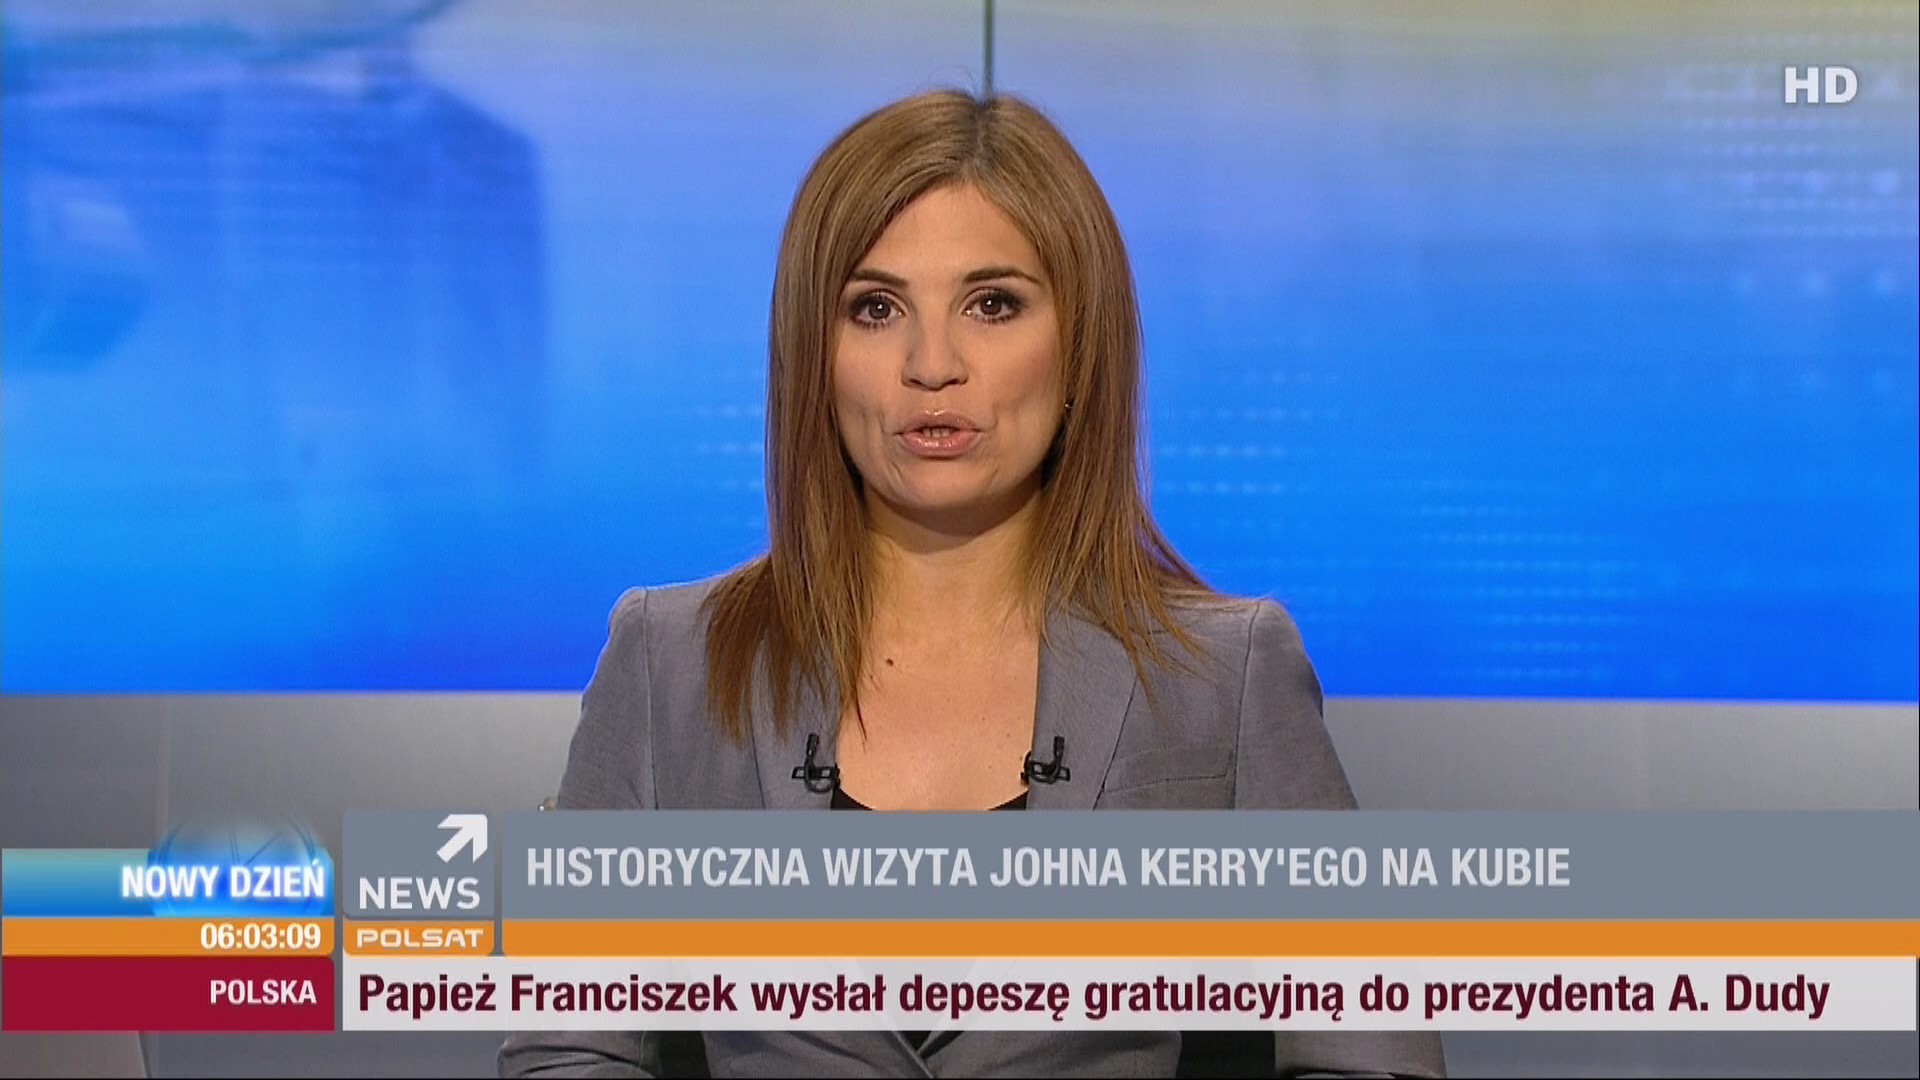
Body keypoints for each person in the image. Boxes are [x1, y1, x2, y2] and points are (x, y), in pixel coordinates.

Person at [501, 89, 1446, 1079]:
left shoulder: (1226, 674)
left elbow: (1371, 1055)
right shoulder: (669, 665)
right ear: (813, 354)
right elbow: (568, 1052)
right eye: (876, 309)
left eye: (992, 305)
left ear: (1079, 344)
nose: (932, 365)